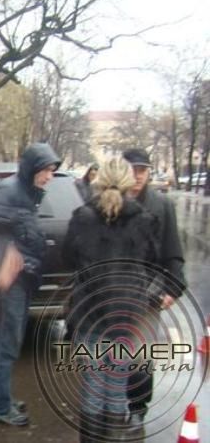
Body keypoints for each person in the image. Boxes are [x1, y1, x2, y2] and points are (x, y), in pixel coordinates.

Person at [64, 158, 162, 442]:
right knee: (117, 387)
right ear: (129, 182)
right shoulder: (145, 220)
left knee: (93, 386)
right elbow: (152, 262)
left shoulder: (82, 217)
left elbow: (68, 257)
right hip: (127, 315)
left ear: (99, 180)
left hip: (91, 312)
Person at [0, 142, 61, 426]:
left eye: (52, 171)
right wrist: (3, 258)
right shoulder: (9, 190)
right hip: (12, 283)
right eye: (46, 170)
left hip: (24, 278)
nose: (49, 177)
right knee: (6, 344)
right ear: (32, 167)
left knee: (9, 342)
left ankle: (2, 398)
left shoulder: (27, 192)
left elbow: (14, 228)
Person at [122, 148, 186, 434]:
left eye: (142, 171)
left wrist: (173, 288)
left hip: (149, 291)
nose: (137, 176)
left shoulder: (161, 205)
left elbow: (173, 249)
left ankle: (137, 408)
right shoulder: (111, 201)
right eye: (133, 170)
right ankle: (110, 404)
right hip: (115, 290)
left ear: (148, 173)